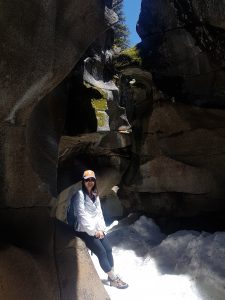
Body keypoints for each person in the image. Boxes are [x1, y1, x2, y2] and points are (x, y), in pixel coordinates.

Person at [73, 169, 128, 289]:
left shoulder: (94, 194)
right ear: (83, 181)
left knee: (108, 249)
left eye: (92, 179)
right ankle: (114, 279)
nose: (90, 182)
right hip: (84, 230)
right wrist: (94, 231)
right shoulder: (80, 195)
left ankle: (111, 275)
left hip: (97, 230)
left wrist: (101, 230)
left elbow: (99, 214)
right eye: (87, 180)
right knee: (101, 252)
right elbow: (81, 215)